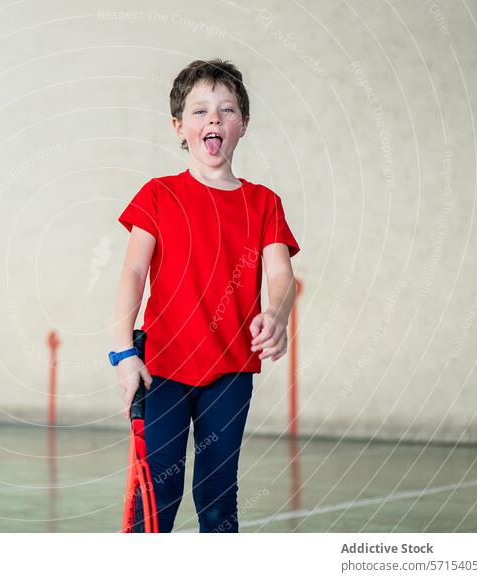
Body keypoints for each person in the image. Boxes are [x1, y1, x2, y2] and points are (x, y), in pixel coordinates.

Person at [110, 59, 301, 533]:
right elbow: (133, 271)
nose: (213, 119)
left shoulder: (263, 203)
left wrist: (275, 316)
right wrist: (122, 352)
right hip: (163, 370)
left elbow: (282, 276)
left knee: (218, 495)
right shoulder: (158, 195)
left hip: (231, 371)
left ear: (243, 125)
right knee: (158, 494)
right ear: (179, 127)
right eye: (199, 111)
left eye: (226, 109)